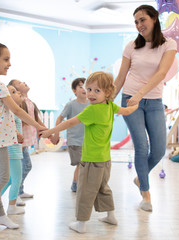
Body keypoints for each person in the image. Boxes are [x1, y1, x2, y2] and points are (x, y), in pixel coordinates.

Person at [41, 71, 139, 233]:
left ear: (108, 93)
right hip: (105, 159)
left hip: (91, 159)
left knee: (85, 190)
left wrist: (50, 131)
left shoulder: (92, 110)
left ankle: (81, 223)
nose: (91, 94)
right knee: (103, 187)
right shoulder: (110, 106)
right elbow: (127, 111)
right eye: (89, 89)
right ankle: (111, 216)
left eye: (97, 90)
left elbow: (70, 122)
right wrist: (137, 103)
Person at [0, 42, 46, 233]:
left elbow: (2, 114)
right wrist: (39, 126)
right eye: (5, 59)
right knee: (4, 177)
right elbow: (15, 109)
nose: (9, 64)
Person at [113, 5, 177, 212]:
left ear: (154, 18)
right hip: (130, 101)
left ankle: (140, 179)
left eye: (142, 20)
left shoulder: (169, 44)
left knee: (158, 150)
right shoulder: (131, 46)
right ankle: (146, 195)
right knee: (141, 147)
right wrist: (107, 101)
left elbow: (161, 73)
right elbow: (121, 77)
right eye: (136, 22)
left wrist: (141, 95)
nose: (139, 25)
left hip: (154, 101)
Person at [8, 79, 46, 199]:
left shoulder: (29, 102)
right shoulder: (19, 104)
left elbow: (35, 119)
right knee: (25, 166)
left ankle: (19, 191)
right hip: (19, 142)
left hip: (25, 141)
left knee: (23, 167)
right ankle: (16, 192)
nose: (23, 82)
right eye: (19, 83)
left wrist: (46, 130)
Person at [50, 77, 89, 192]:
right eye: (81, 86)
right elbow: (59, 119)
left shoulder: (92, 105)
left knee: (85, 164)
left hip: (88, 141)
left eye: (86, 86)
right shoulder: (71, 105)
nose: (84, 89)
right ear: (74, 90)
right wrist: (56, 134)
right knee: (81, 164)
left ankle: (76, 183)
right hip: (75, 141)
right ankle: (77, 184)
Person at [0, 85, 26, 215]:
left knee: (11, 179)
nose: (18, 93)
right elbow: (9, 125)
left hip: (14, 149)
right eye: (13, 92)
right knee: (17, 179)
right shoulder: (9, 111)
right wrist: (17, 133)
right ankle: (11, 207)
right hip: (13, 150)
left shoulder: (13, 111)